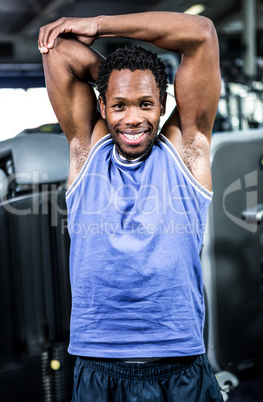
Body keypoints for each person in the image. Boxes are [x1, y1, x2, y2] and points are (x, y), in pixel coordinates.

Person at [38, 11, 222, 401]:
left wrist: (101, 25)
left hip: (179, 363)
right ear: (102, 106)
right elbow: (55, 51)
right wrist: (117, 77)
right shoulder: (87, 148)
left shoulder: (186, 150)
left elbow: (201, 35)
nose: (133, 118)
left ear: (163, 104)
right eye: (120, 106)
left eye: (146, 103)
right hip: (98, 364)